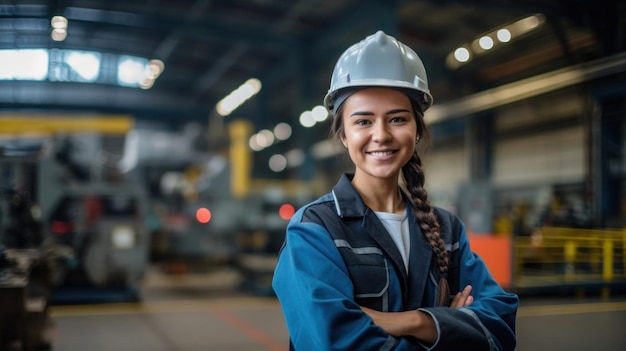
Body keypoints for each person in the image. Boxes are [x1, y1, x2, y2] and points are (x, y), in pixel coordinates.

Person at [272, 30, 518, 350]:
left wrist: (415, 321)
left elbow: (500, 324)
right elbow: (335, 343)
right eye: (363, 121)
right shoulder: (314, 229)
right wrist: (445, 328)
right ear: (344, 134)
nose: (381, 135)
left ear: (417, 130)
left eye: (397, 119)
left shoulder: (447, 230)